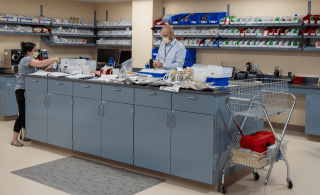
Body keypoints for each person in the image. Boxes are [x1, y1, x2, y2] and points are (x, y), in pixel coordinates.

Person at [12, 42, 59, 147]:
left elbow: (34, 73)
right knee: (22, 114)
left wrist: (47, 69)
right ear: (28, 52)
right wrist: (54, 59)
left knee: (26, 113)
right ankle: (14, 139)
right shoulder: (25, 59)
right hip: (21, 90)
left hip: (28, 90)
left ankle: (25, 135)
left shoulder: (30, 61)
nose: (36, 52)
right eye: (35, 50)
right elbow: (39, 64)